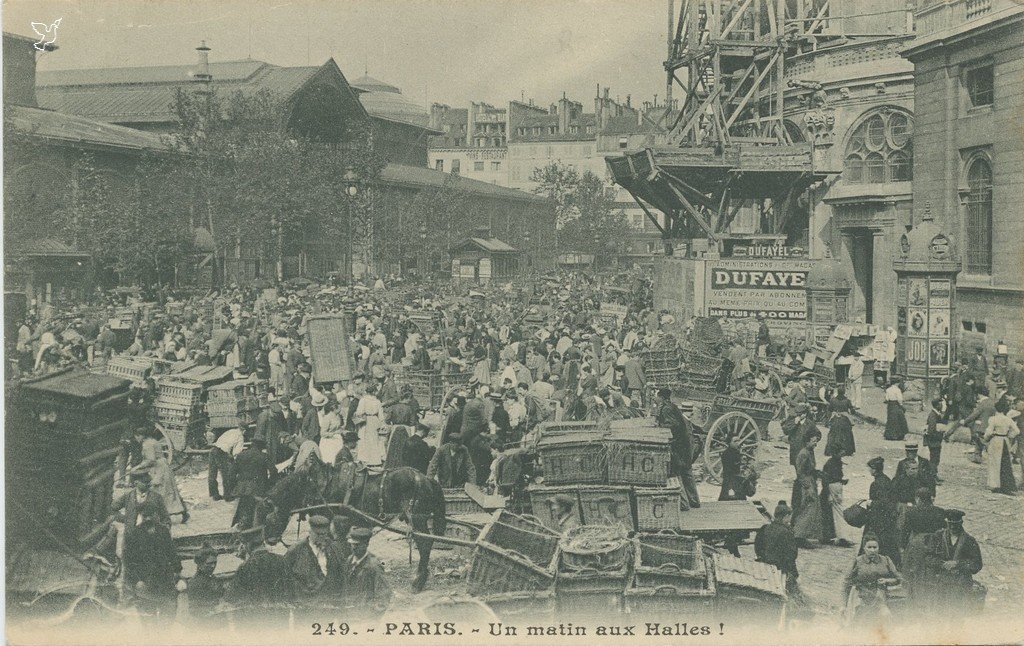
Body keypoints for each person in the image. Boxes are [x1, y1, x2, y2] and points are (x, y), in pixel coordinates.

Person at [122, 503, 182, 623]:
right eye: (145, 516)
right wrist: (137, 581)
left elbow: (171, 552)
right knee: (148, 619)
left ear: (157, 515)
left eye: (151, 515)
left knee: (168, 616)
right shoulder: (133, 534)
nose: (148, 518)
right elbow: (128, 561)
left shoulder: (163, 531)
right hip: (145, 581)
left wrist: (177, 571)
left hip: (164, 580)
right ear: (141, 516)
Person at [922, 509, 984, 620]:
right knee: (939, 617)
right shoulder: (938, 537)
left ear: (961, 523)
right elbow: (928, 558)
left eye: (955, 525)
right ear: (947, 523)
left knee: (956, 619)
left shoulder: (969, 541)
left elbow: (977, 564)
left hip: (960, 586)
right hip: (941, 585)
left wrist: (957, 564)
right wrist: (942, 564)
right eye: (950, 525)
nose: (952, 528)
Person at [900, 488, 946, 616]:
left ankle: (916, 601)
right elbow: (944, 530)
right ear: (931, 499)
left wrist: (903, 547)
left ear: (918, 499)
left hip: (918, 543)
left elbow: (905, 530)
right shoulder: (939, 511)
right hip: (935, 543)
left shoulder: (911, 511)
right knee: (932, 571)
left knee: (915, 571)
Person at [285, 515, 348, 606]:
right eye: (318, 534)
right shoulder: (296, 550)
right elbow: (286, 577)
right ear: (310, 532)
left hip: (329, 606)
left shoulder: (334, 549)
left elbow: (342, 575)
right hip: (305, 606)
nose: (321, 537)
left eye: (324, 534)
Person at [130, 427, 188, 523]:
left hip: (158, 469)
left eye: (136, 437)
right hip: (163, 466)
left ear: (140, 436)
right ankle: (181, 512)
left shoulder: (147, 444)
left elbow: (151, 460)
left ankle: (162, 515)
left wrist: (138, 467)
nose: (137, 439)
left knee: (159, 491)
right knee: (169, 490)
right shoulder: (153, 441)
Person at [654, 388, 700, 509]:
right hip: (683, 445)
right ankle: (694, 501)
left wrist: (659, 428)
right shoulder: (672, 406)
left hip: (677, 446)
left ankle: (684, 504)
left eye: (656, 396)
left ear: (661, 398)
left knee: (676, 473)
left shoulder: (666, 409)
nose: (655, 398)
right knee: (687, 472)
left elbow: (672, 424)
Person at [842, 534, 902, 626]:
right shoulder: (858, 561)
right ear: (864, 548)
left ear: (878, 548)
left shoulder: (886, 560)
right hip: (860, 597)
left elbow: (898, 578)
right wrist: (843, 605)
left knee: (885, 616)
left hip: (879, 597)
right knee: (858, 622)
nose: (872, 550)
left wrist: (887, 581)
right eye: (869, 547)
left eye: (875, 547)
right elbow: (846, 583)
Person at [861, 457, 901, 567]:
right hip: (887, 518)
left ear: (874, 469)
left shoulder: (876, 484)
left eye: (870, 468)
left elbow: (883, 502)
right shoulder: (886, 479)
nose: (869, 470)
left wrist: (871, 503)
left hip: (878, 519)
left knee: (876, 540)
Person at [755, 501, 800, 594]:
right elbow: (791, 555)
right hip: (780, 568)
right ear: (786, 516)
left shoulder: (765, 528)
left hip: (764, 564)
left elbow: (757, 548)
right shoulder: (787, 532)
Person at [232, 438, 276, 531]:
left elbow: (232, 472)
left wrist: (236, 485)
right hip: (258, 487)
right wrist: (269, 485)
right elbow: (273, 472)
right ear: (261, 446)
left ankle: (241, 525)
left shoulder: (241, 455)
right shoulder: (264, 456)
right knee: (257, 510)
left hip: (242, 488)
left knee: (243, 507)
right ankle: (254, 528)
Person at [345, 527, 391, 614]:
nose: (354, 548)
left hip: (364, 616)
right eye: (352, 544)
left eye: (357, 545)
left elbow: (383, 595)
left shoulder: (374, 566)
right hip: (349, 614)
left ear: (366, 544)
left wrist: (372, 617)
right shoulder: (350, 560)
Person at [791, 429, 825, 545]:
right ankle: (799, 536)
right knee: (807, 509)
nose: (816, 443)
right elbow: (800, 472)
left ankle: (803, 535)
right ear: (808, 441)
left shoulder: (810, 452)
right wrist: (806, 487)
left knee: (811, 509)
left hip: (810, 482)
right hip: (806, 484)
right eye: (814, 441)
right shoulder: (804, 453)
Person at [983, 399, 1019, 494]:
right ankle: (1006, 484)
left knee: (994, 463)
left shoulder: (993, 419)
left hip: (996, 440)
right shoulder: (1008, 419)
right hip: (1005, 440)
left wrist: (986, 438)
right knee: (1005, 462)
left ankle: (995, 485)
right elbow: (1016, 431)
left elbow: (989, 432)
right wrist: (1009, 436)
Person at [954, 386, 996, 464]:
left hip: (980, 426)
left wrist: (965, 421)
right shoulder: (992, 402)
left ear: (980, 394)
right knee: (980, 442)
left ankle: (980, 457)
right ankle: (977, 457)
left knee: (980, 442)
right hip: (989, 425)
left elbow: (974, 415)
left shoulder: (982, 403)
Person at [821, 452, 855, 547]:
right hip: (833, 489)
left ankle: (833, 536)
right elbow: (828, 478)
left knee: (835, 513)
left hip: (833, 489)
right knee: (838, 513)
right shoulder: (832, 463)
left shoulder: (833, 462)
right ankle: (841, 536)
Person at [186, 543, 224, 622]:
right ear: (200, 564)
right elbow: (194, 610)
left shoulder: (214, 579)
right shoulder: (195, 583)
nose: (213, 566)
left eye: (215, 563)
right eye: (209, 563)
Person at [353, 383, 387, 466]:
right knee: (375, 440)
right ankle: (375, 460)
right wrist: (382, 424)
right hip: (375, 420)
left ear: (366, 391)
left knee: (364, 440)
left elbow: (359, 412)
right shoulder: (377, 401)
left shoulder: (363, 400)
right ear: (374, 391)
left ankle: (365, 458)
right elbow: (381, 416)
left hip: (366, 420)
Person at [208, 426, 244, 501]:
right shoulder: (240, 436)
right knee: (226, 474)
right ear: (244, 431)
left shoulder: (231, 431)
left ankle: (215, 495)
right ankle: (228, 496)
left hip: (213, 449)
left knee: (212, 474)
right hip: (221, 453)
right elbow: (236, 452)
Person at [924, 398, 947, 479]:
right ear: (937, 405)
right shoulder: (933, 415)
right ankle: (932, 476)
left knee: (936, 459)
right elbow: (931, 430)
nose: (942, 406)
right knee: (934, 459)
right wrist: (940, 435)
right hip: (933, 441)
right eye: (941, 404)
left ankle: (934, 475)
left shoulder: (936, 414)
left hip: (935, 441)